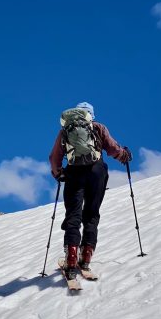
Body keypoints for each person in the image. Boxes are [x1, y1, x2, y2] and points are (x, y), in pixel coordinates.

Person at [49, 102, 132, 279]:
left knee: (73, 216)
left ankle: (71, 259)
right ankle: (85, 258)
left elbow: (54, 156)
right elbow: (112, 148)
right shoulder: (98, 127)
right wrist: (124, 155)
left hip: (74, 174)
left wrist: (58, 173)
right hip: (97, 172)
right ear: (91, 115)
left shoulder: (66, 130)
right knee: (92, 214)